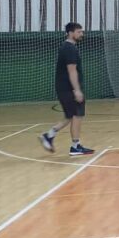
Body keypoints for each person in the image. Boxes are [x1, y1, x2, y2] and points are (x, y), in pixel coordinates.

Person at [39, 22, 94, 156]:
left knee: (70, 116)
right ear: (70, 33)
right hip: (69, 89)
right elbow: (72, 71)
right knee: (77, 115)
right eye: (79, 32)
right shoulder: (69, 49)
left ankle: (49, 135)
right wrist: (77, 90)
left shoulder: (68, 47)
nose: (82, 34)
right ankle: (75, 146)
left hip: (65, 88)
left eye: (81, 31)